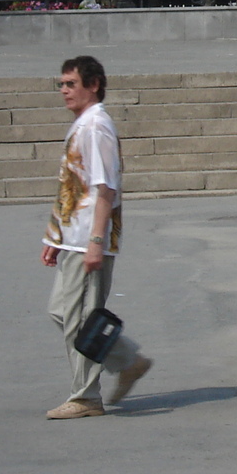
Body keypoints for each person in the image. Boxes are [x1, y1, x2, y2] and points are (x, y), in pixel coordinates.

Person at [41, 55, 152, 418]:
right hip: (73, 238)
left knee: (81, 319)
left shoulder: (95, 127)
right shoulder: (83, 124)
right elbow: (73, 187)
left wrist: (96, 242)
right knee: (62, 312)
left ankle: (86, 397)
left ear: (94, 85)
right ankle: (126, 360)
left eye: (71, 84)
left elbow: (105, 189)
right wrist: (55, 238)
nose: (64, 91)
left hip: (90, 239)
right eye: (61, 84)